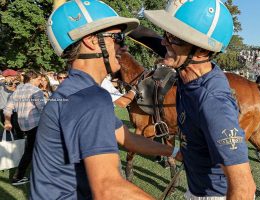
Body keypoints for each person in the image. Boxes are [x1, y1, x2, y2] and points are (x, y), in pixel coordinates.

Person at [30, 1, 180, 199]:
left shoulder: (74, 90)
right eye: (117, 38)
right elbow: (108, 189)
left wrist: (176, 151)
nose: (124, 47)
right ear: (91, 41)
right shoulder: (90, 97)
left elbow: (126, 138)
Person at [144, 0, 256, 199]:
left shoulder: (213, 102)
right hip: (196, 191)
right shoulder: (187, 66)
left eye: (174, 38)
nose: (164, 42)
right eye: (166, 35)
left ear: (202, 51)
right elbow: (152, 39)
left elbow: (244, 190)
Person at [4, 70, 45, 185]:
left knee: (31, 150)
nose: (40, 81)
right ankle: (18, 177)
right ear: (32, 79)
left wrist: (7, 121)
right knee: (31, 151)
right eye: (38, 79)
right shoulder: (36, 91)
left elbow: (8, 109)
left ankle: (24, 176)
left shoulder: (17, 91)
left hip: (23, 125)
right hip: (36, 125)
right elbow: (43, 110)